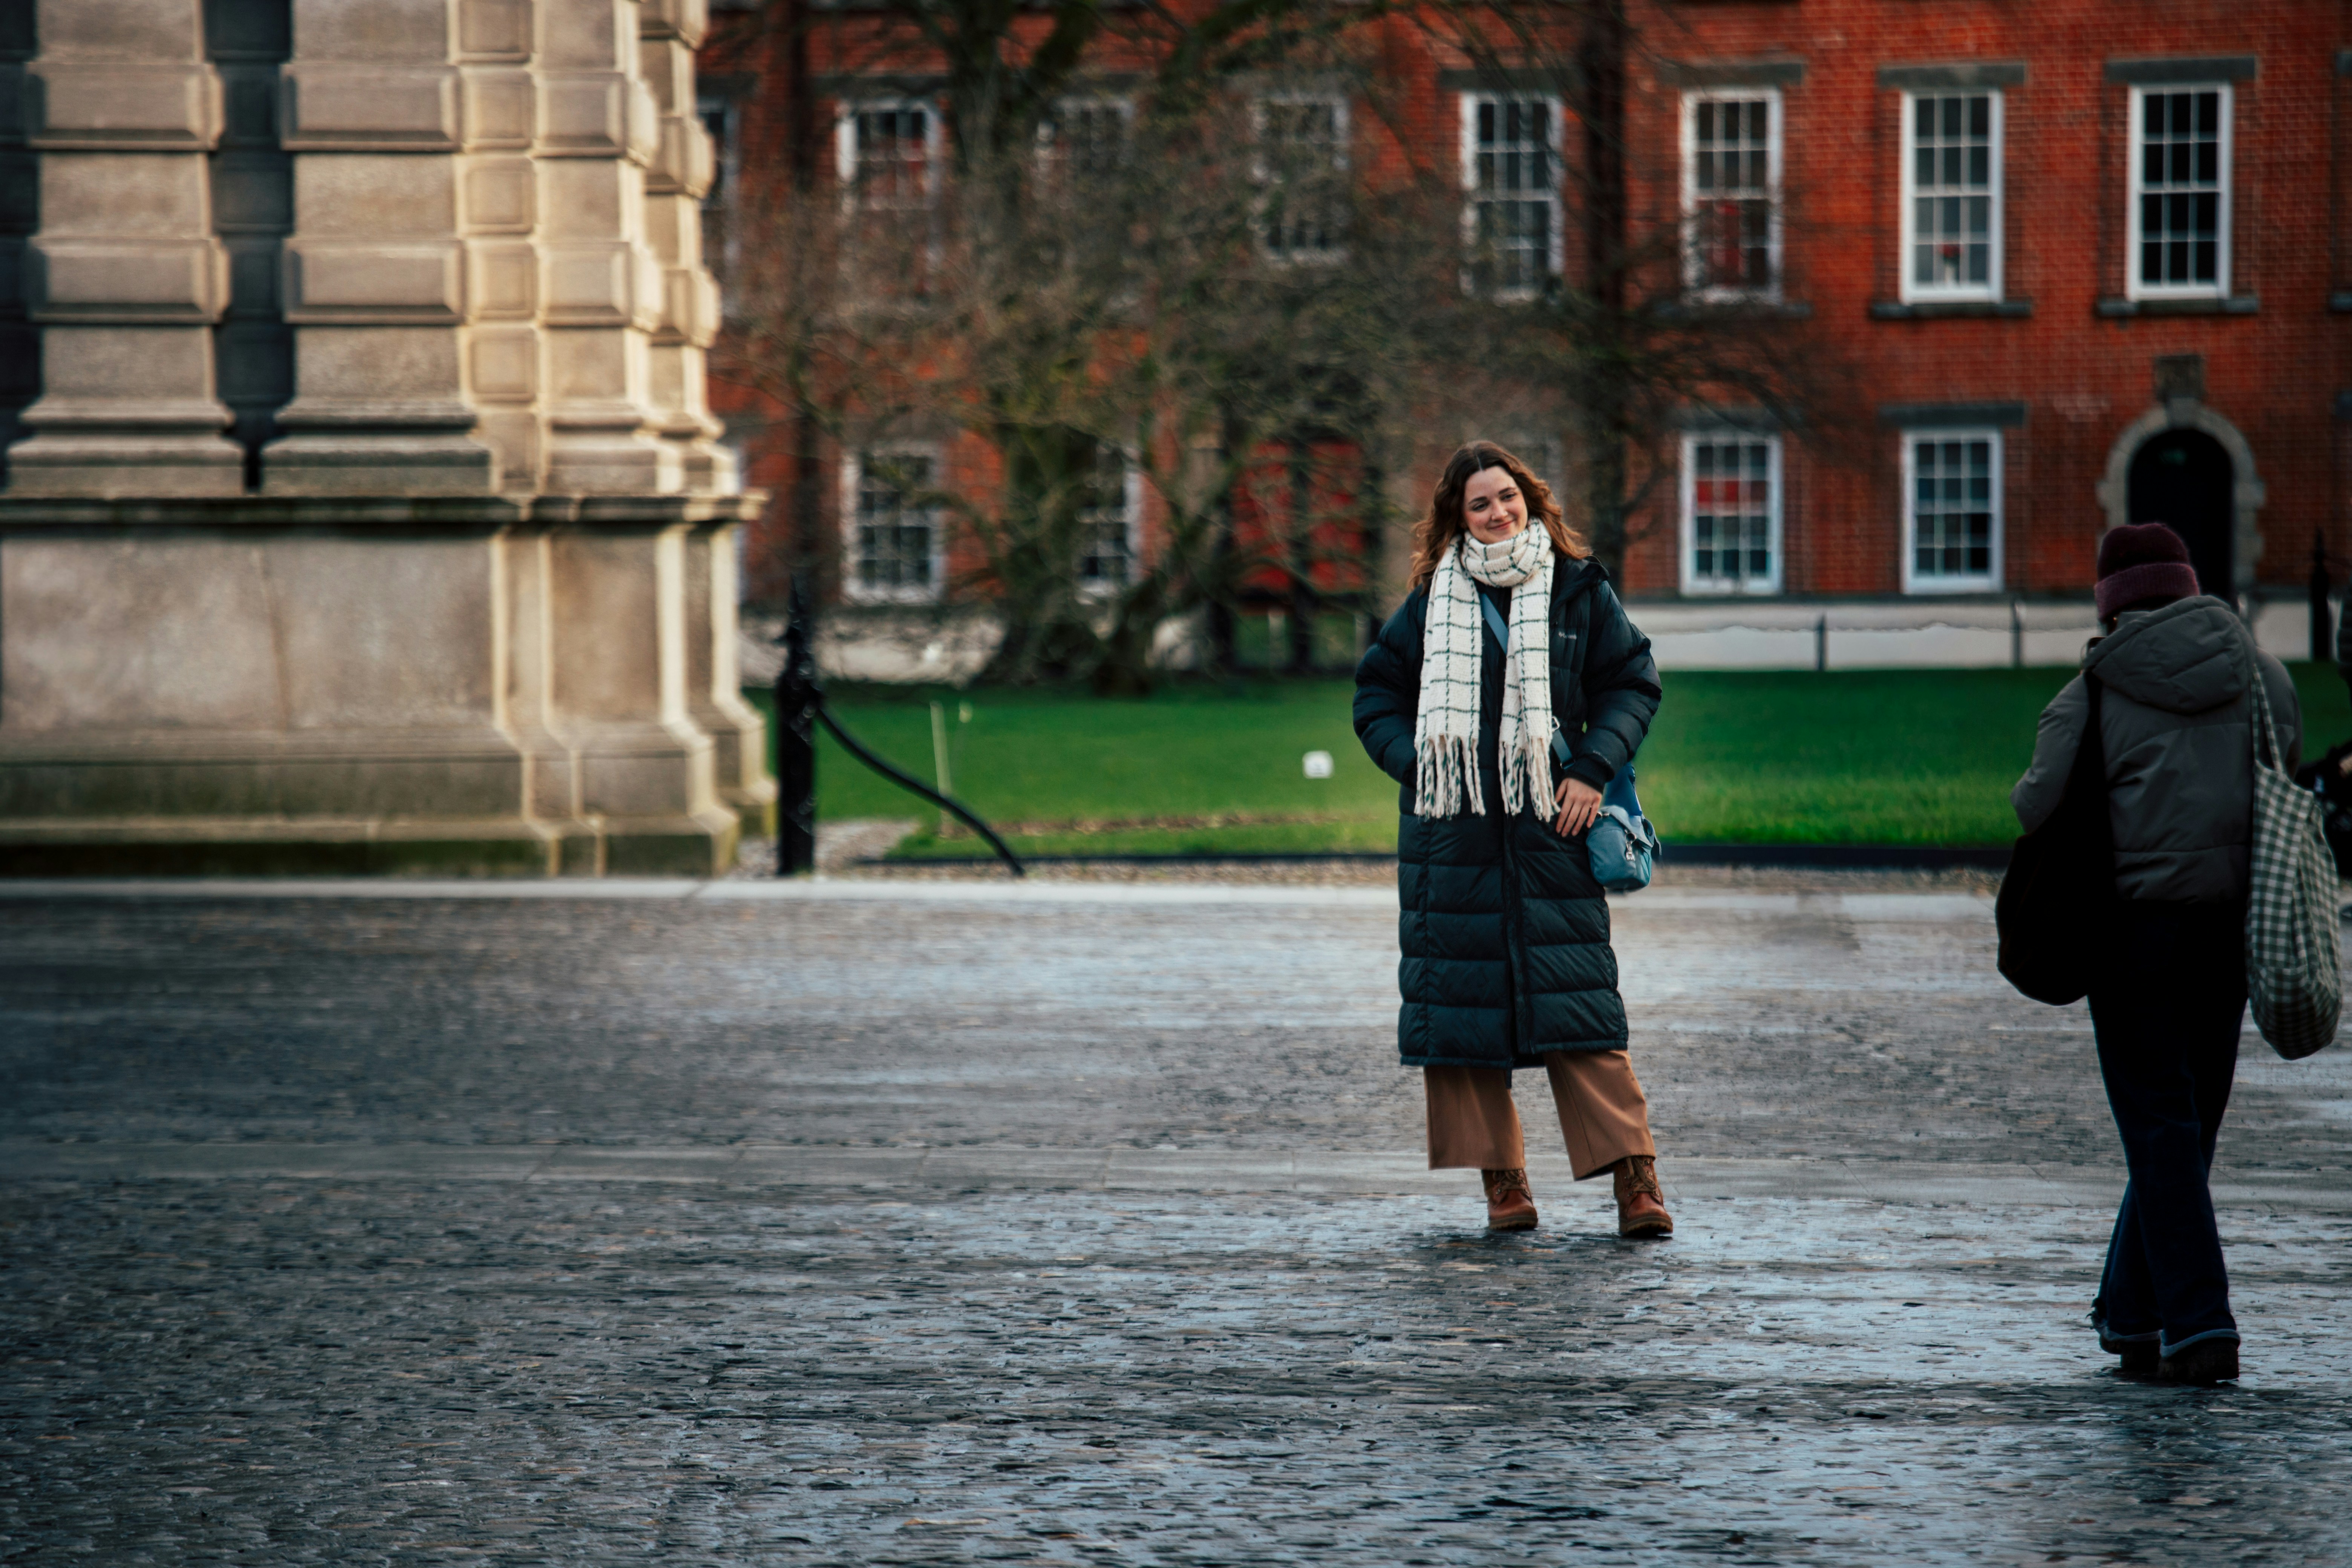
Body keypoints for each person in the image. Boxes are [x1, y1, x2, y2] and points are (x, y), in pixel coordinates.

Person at [1352, 440, 1670, 1238]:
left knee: (1582, 1008)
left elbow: (1633, 678)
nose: (1498, 512)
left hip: (1549, 826)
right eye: (1480, 504)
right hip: (1450, 836)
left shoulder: (1576, 588)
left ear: (1530, 498)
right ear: (1457, 519)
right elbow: (1375, 695)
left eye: (1508, 497)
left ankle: (1636, 1183)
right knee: (1462, 1018)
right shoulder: (1432, 602)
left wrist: (1593, 768)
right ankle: (1504, 1184)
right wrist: (1419, 765)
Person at [2013, 522, 2301, 1386]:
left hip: (2132, 934)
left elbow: (2034, 805)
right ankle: (2133, 1311)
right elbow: (2282, 766)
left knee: (2159, 1126)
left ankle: (2201, 1323)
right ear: (2188, 586)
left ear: (2112, 602)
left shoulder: (2091, 691)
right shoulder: (2266, 676)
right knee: (2187, 1125)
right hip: (2229, 930)